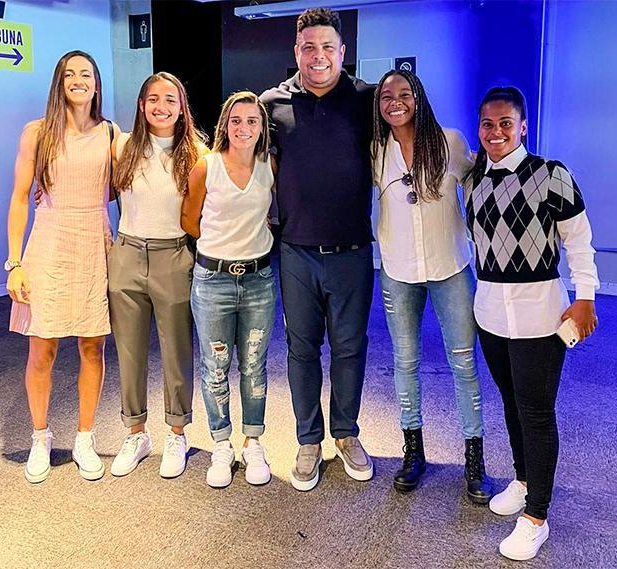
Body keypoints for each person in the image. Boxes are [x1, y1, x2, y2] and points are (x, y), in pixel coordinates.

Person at [465, 86, 599, 560]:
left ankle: (536, 517)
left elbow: (579, 239)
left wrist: (586, 297)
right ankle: (523, 480)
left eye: (505, 123)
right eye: (487, 124)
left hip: (541, 317)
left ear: (523, 126)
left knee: (537, 413)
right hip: (490, 315)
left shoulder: (550, 175)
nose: (496, 132)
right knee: (512, 403)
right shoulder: (475, 179)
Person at [260, 7, 375, 491]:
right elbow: (238, 157)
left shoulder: (367, 100)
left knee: (350, 349)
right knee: (302, 350)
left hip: (352, 251)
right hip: (296, 251)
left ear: (342, 52)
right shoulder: (272, 103)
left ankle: (346, 434)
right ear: (296, 52)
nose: (319, 56)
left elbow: (414, 140)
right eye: (309, 47)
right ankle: (309, 441)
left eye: (328, 47)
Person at [371, 69, 492, 503]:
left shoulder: (451, 142)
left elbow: (485, 183)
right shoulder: (375, 151)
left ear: (419, 97)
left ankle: (474, 458)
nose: (395, 101)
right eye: (387, 96)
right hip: (398, 272)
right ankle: (413, 451)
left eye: (404, 93)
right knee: (405, 363)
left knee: (464, 364)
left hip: (451, 268)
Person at [6, 50, 118, 483]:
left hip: (94, 242)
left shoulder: (111, 133)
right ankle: (40, 436)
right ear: (59, 82)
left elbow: (125, 180)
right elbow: (19, 198)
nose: (78, 80)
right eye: (69, 74)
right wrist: (14, 262)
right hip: (48, 244)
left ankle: (86, 438)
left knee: (93, 347)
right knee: (43, 348)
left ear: (95, 83)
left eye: (85, 73)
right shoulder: (37, 133)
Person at [107, 72, 207, 479]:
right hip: (127, 253)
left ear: (182, 106)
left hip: (174, 255)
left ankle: (177, 433)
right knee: (128, 351)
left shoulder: (198, 152)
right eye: (152, 99)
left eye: (169, 99)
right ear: (142, 104)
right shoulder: (123, 147)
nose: (160, 107)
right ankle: (136, 432)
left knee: (176, 351)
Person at [181, 91, 276, 488]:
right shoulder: (206, 167)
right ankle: (222, 444)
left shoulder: (271, 165)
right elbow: (189, 219)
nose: (244, 128)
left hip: (258, 280)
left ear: (262, 127)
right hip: (213, 281)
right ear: (225, 125)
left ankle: (252, 441)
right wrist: (223, 249)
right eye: (236, 120)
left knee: (254, 365)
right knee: (215, 367)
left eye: (252, 121)